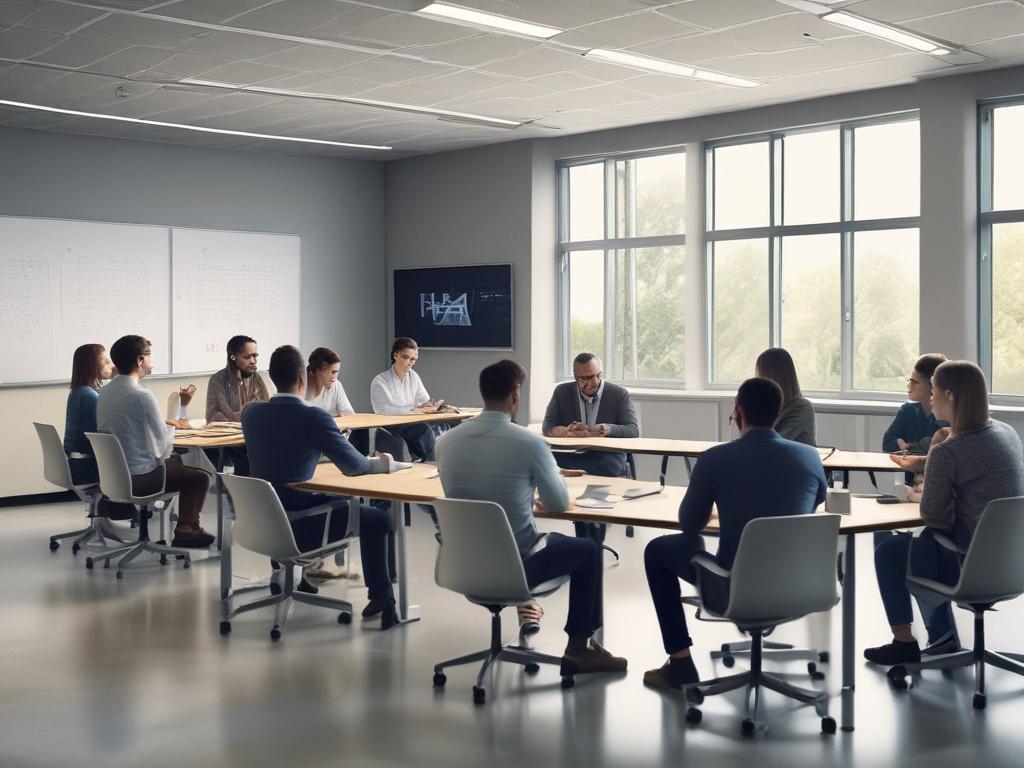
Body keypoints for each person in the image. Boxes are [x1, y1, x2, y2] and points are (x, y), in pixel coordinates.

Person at [436, 359, 628, 677]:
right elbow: (557, 502)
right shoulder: (531, 443)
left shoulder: (445, 442)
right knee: (589, 550)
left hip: (461, 564)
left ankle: (533, 615)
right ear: (516, 395)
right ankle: (580, 648)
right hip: (517, 568)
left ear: (483, 394)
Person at [643, 377, 827, 690]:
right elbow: (816, 501)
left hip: (733, 591)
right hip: (799, 587)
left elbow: (689, 523)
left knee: (658, 550)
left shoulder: (715, 459)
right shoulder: (809, 457)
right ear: (778, 413)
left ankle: (681, 664)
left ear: (738, 413)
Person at [865, 360, 1024, 665]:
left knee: (889, 549)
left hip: (971, 569)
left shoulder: (949, 450)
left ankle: (904, 642)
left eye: (934, 392)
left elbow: (934, 517)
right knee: (925, 539)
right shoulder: (1007, 433)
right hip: (1012, 565)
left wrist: (916, 496)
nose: (930, 399)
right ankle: (942, 634)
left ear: (949, 395)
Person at [242, 345, 400, 628]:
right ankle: (383, 597)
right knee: (376, 518)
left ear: (273, 378)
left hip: (262, 523)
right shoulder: (313, 417)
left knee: (340, 502)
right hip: (302, 525)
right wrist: (388, 463)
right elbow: (356, 467)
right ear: (304, 378)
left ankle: (296, 577)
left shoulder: (250, 414)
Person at [96, 335, 213, 548]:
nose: (152, 361)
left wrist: (169, 423)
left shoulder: (106, 392)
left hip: (115, 475)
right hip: (140, 478)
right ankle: (186, 530)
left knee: (178, 462)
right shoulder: (141, 395)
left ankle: (187, 528)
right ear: (140, 360)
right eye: (149, 355)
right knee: (200, 477)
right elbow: (161, 450)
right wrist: (172, 423)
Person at [542, 352, 639, 545]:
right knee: (559, 471)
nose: (594, 382)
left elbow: (633, 429)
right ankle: (589, 541)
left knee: (592, 493)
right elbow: (548, 426)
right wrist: (564, 431)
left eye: (598, 375)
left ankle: (591, 539)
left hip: (605, 459)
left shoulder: (618, 394)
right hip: (572, 457)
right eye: (586, 378)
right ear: (576, 377)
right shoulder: (562, 392)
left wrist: (598, 430)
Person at [369, 337, 446, 461]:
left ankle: (432, 460)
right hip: (393, 425)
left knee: (449, 424)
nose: (410, 362)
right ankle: (433, 462)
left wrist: (435, 406)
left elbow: (423, 401)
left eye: (413, 359)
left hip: (412, 422)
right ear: (395, 355)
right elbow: (381, 410)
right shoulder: (380, 381)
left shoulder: (413, 376)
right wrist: (414, 410)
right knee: (424, 430)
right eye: (406, 357)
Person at [205, 335, 269, 476]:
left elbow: (265, 413)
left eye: (255, 356)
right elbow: (216, 418)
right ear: (233, 357)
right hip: (229, 443)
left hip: (253, 439)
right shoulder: (218, 381)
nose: (253, 361)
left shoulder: (257, 378)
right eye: (247, 357)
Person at [882, 353, 949, 453]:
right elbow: (887, 443)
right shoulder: (907, 410)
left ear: (932, 385)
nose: (909, 386)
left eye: (914, 382)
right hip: (911, 467)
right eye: (909, 381)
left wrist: (910, 447)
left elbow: (943, 448)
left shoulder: (948, 414)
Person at [755, 347, 816, 446]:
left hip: (791, 460)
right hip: (772, 459)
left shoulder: (802, 407)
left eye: (761, 375)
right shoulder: (766, 406)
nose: (758, 381)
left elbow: (775, 444)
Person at [305, 347, 355, 416]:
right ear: (318, 371)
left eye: (337, 372)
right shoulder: (301, 387)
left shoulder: (336, 385)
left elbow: (349, 414)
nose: (335, 377)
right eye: (333, 372)